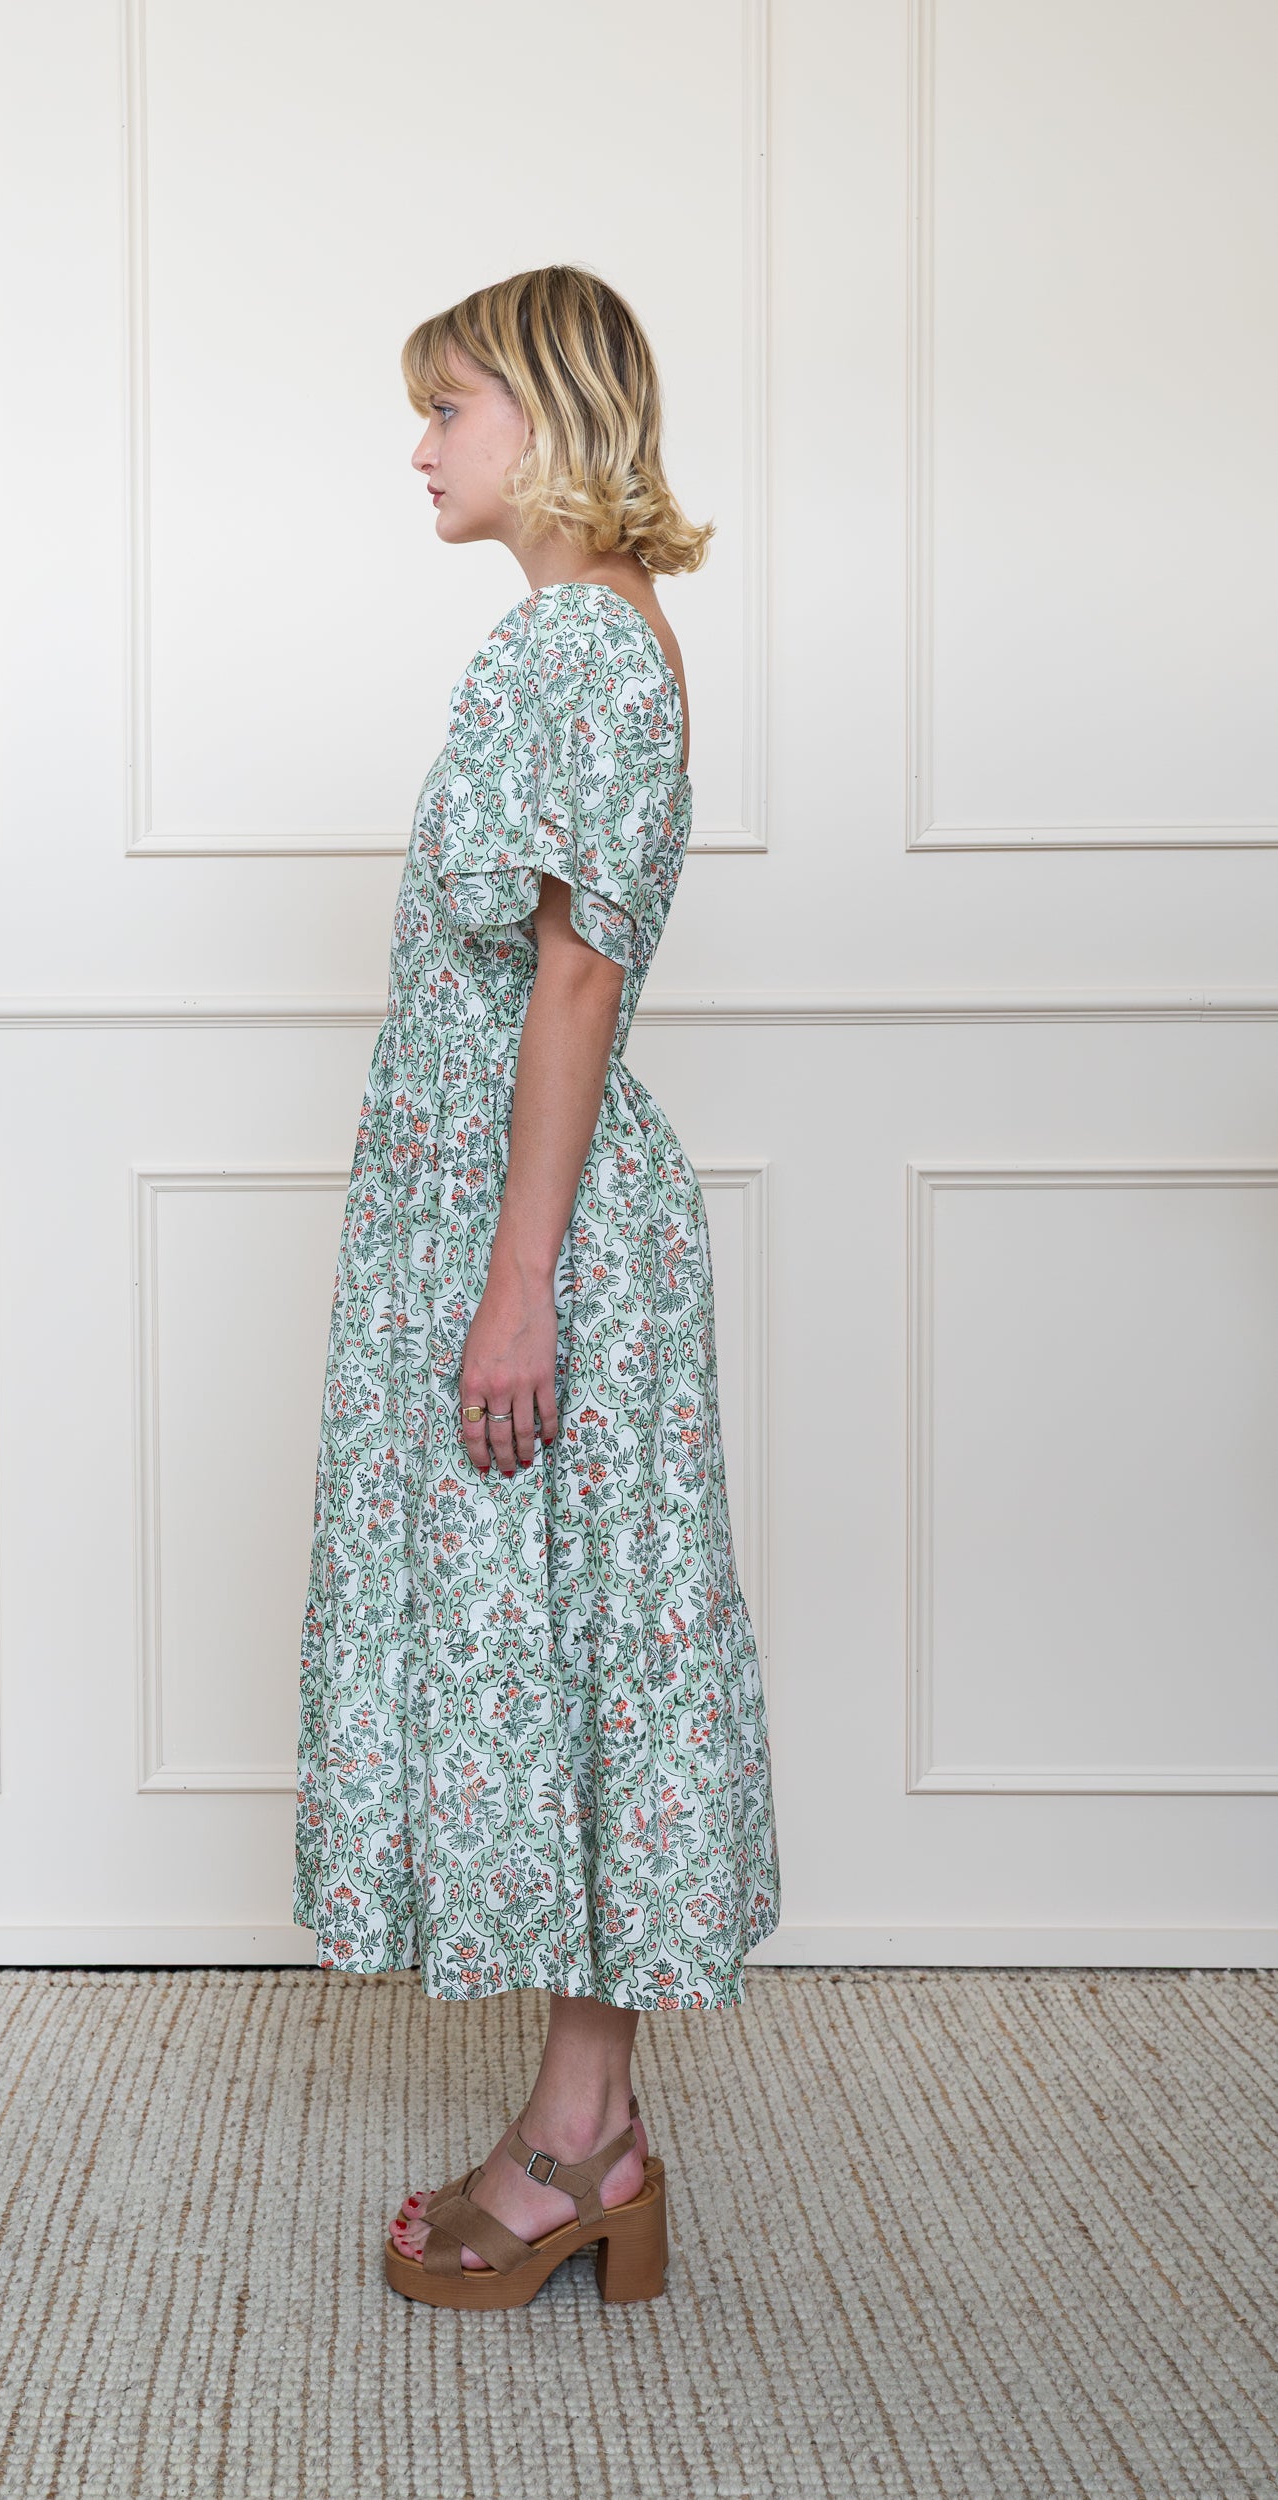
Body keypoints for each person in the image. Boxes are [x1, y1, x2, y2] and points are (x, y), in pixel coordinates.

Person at [293, 265, 780, 2311]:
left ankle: (581, 2140)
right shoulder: (604, 637)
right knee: (587, 1663)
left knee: (584, 1659)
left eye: (452, 405)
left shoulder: (573, 643)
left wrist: (516, 1287)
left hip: (532, 1223)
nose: (422, 446)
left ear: (554, 416)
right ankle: (595, 2125)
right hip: (522, 1207)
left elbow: (575, 976)